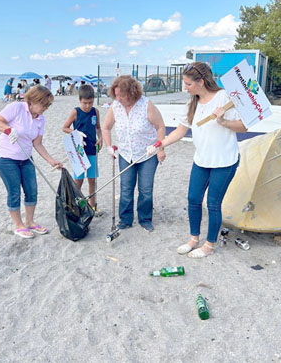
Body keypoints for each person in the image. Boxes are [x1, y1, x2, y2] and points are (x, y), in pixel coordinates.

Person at [147, 62, 246, 258]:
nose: (185, 88)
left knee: (213, 204)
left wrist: (223, 121)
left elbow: (243, 126)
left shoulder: (225, 98)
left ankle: (209, 244)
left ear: (201, 81)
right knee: (193, 200)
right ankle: (194, 239)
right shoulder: (191, 103)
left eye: (188, 84)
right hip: (202, 160)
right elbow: (180, 130)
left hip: (224, 161)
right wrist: (161, 144)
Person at [0, 85, 63, 239]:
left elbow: (37, 143)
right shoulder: (16, 107)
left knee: (32, 190)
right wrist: (9, 130)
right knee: (14, 191)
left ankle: (30, 222)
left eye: (47, 106)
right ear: (33, 101)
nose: (45, 108)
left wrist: (51, 161)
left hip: (26, 159)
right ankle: (18, 225)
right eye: (43, 104)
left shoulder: (40, 119)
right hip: (7, 158)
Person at [102, 75, 166, 232]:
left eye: (122, 95)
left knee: (145, 188)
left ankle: (145, 218)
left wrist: (160, 149)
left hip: (147, 154)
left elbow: (160, 127)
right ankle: (125, 219)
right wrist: (109, 146)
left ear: (132, 93)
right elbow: (106, 127)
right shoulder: (115, 106)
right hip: (125, 154)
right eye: (116, 95)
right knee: (126, 188)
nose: (119, 98)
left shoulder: (146, 105)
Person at [62, 84, 103, 215]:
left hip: (92, 149)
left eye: (90, 103)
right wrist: (75, 132)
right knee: (78, 179)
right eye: (85, 103)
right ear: (80, 100)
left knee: (92, 179)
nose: (87, 106)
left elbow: (98, 127)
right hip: (78, 150)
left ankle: (92, 206)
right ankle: (75, 205)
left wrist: (100, 138)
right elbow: (65, 127)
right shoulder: (76, 112)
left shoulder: (95, 112)